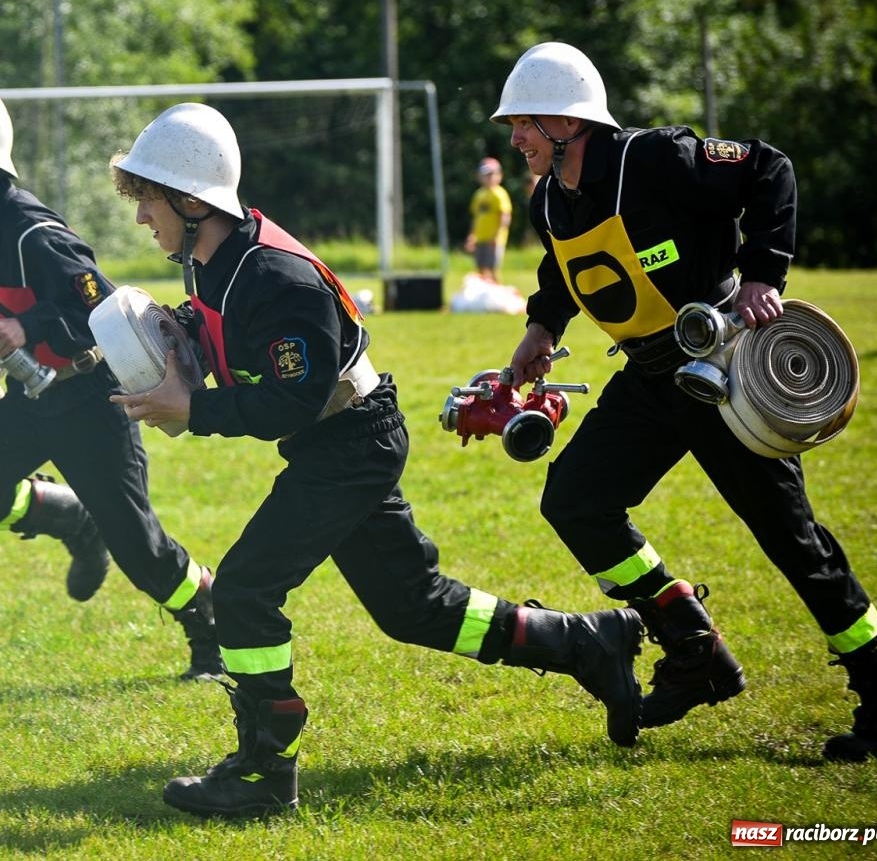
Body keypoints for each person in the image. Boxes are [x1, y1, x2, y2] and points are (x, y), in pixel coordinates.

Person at [108, 102, 645, 818]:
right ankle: (587, 642)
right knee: (412, 607)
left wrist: (193, 410)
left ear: (191, 200)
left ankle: (265, 769)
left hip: (350, 441)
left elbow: (292, 401)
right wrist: (175, 349)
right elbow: (243, 355)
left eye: (149, 196)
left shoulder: (274, 278)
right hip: (338, 439)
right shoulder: (211, 264)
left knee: (242, 591)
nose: (141, 214)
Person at [493, 41, 877, 762]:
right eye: (515, 125)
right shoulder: (548, 198)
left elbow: (770, 169)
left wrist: (762, 272)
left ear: (568, 122)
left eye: (525, 122)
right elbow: (562, 268)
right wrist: (542, 327)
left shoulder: (655, 158)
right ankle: (691, 643)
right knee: (576, 500)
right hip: (649, 381)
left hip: (723, 370)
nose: (516, 137)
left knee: (791, 540)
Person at [0, 83, 221, 683]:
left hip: (90, 402)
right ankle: (72, 518)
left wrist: (26, 328)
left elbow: (103, 311)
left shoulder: (35, 233)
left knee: (142, 554)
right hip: (31, 400)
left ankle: (207, 618)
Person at [463, 156, 512, 282]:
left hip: (494, 239)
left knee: (492, 269)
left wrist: (497, 236)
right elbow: (476, 217)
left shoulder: (499, 194)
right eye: (486, 175)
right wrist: (472, 236)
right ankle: (484, 292)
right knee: (480, 269)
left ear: (499, 176)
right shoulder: (479, 194)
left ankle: (496, 291)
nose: (489, 178)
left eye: (492, 174)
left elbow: (505, 216)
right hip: (480, 238)